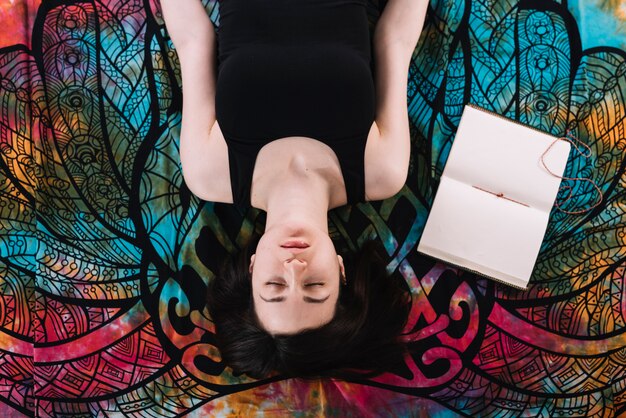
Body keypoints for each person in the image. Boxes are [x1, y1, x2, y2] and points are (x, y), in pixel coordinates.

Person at [160, 0, 429, 379]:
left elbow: (193, 40)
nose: (294, 267)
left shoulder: (211, 174)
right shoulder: (382, 171)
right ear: (341, 272)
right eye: (314, 286)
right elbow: (395, 41)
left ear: (252, 269)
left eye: (274, 286)